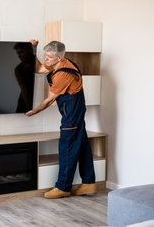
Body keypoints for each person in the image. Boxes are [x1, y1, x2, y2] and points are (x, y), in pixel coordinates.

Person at [25, 40, 97, 199]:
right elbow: (38, 68)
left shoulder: (63, 74)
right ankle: (88, 183)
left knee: (67, 148)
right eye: (46, 56)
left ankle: (63, 187)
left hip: (71, 115)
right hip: (74, 112)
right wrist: (33, 49)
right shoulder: (60, 63)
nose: (46, 59)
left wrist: (35, 111)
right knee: (82, 146)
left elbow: (49, 100)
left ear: (59, 58)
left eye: (49, 57)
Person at [13, 42, 36, 113]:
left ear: (30, 50)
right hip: (25, 100)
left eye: (21, 52)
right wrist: (29, 108)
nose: (19, 56)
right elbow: (24, 89)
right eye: (18, 54)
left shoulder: (40, 62)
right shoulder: (18, 69)